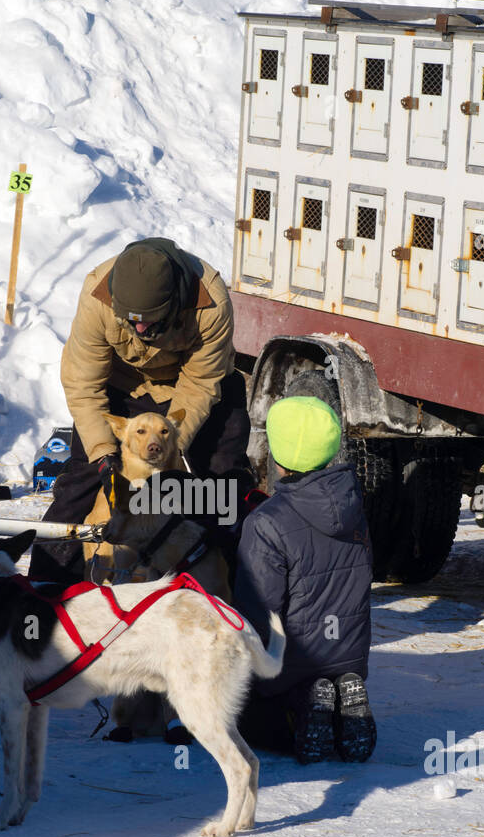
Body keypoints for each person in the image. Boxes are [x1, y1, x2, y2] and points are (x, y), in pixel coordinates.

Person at [29, 236, 254, 584]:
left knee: (217, 491)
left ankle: (225, 597)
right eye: (131, 322)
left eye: (150, 322)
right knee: (80, 485)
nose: (140, 330)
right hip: (125, 388)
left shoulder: (211, 302)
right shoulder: (97, 295)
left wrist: (167, 454)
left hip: (196, 392)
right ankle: (44, 594)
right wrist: (105, 458)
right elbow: (84, 386)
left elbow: (199, 386)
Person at [233, 395, 376, 764]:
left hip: (292, 664)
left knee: (238, 717)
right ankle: (342, 701)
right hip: (348, 654)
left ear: (278, 456)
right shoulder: (355, 506)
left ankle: (302, 716)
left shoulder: (265, 522)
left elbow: (258, 612)